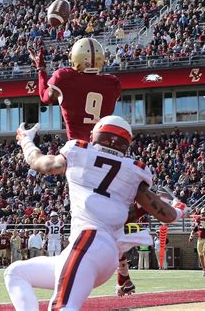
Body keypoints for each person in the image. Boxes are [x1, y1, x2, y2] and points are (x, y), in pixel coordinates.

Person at [4, 116, 188, 310]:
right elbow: (165, 216)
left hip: (88, 242)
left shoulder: (79, 152)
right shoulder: (133, 170)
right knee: (15, 272)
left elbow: (41, 163)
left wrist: (25, 139)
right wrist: (180, 210)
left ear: (96, 135)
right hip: (102, 252)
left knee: (62, 307)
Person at [30, 38, 138, 295]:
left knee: (86, 215)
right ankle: (123, 275)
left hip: (80, 154)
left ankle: (77, 274)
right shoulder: (112, 83)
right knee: (109, 213)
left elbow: (45, 97)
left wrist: (40, 70)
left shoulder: (64, 77)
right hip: (110, 153)